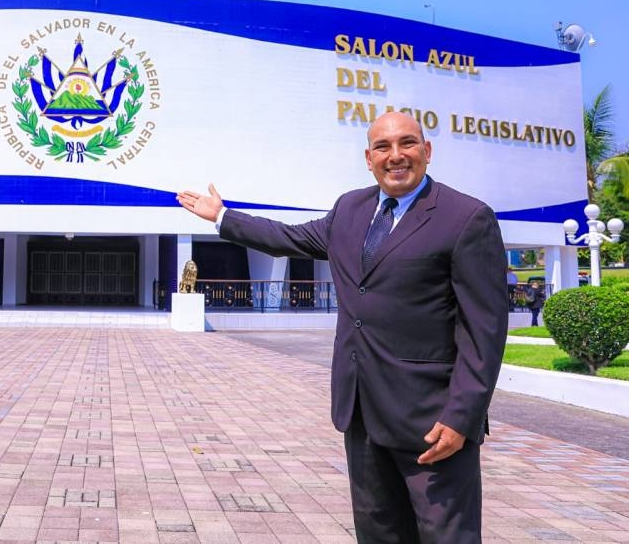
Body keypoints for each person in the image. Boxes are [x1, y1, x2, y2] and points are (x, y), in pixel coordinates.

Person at [177, 112, 508, 543]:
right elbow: (289, 237)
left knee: (447, 536)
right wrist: (223, 217)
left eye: (407, 144)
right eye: (383, 148)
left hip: (432, 420)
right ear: (368, 158)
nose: (396, 156)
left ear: (427, 152)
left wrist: (462, 416)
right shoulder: (351, 208)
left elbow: (484, 328)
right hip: (362, 412)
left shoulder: (466, 218)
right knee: (378, 533)